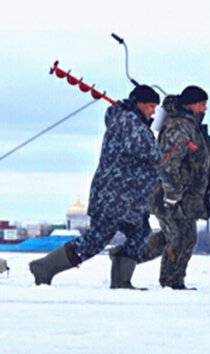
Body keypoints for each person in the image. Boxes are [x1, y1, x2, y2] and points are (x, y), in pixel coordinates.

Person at [29, 84, 162, 287]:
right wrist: (159, 151)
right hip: (114, 196)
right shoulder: (127, 120)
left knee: (140, 233)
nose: (153, 111)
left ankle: (122, 281)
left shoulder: (133, 122)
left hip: (129, 198)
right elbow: (146, 150)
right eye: (151, 106)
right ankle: (45, 267)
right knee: (96, 240)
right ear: (139, 103)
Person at [112, 85, 210, 290]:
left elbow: (193, 153)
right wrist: (172, 194)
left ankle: (124, 256)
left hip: (185, 196)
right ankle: (171, 282)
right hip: (171, 195)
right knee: (181, 239)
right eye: (202, 104)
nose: (205, 109)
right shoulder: (179, 126)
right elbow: (168, 162)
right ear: (191, 104)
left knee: (172, 238)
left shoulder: (191, 125)